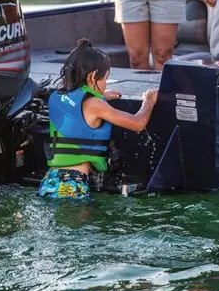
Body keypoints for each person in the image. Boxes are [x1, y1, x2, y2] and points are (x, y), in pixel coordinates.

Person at [39, 39, 159, 200]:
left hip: (51, 181)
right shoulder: (95, 105)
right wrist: (148, 102)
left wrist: (100, 96)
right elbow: (137, 123)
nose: (105, 83)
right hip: (72, 184)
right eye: (105, 79)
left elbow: (77, 112)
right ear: (94, 76)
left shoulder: (57, 97)